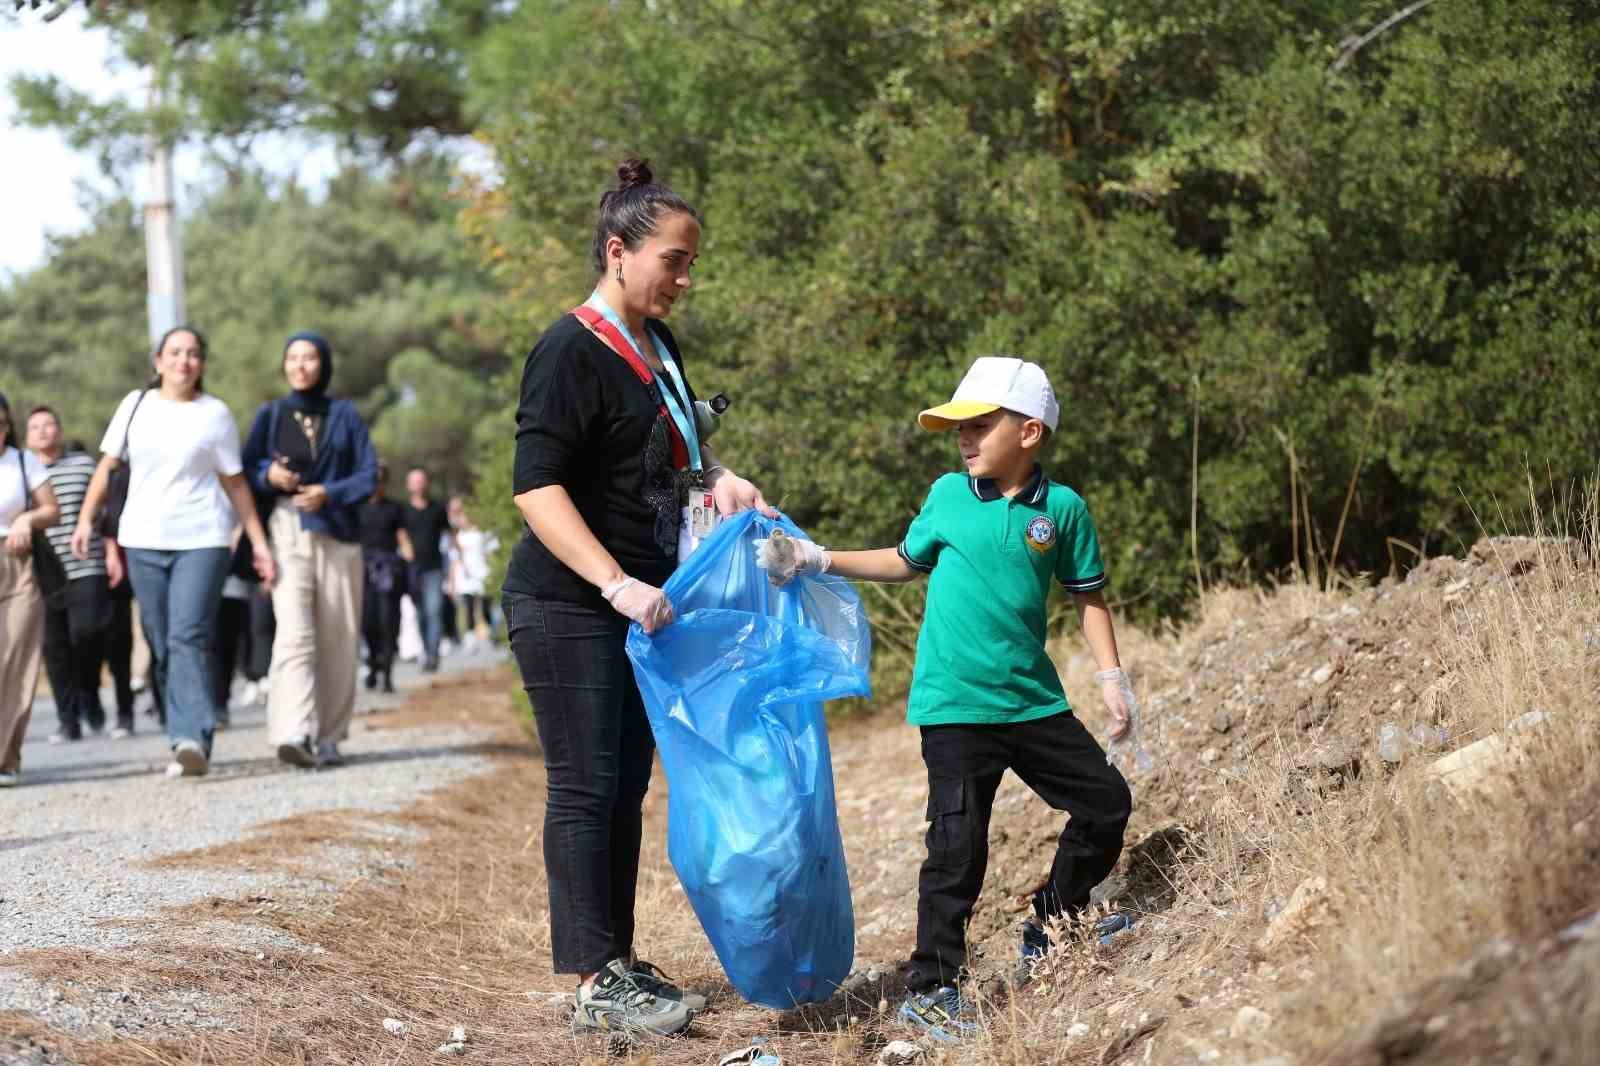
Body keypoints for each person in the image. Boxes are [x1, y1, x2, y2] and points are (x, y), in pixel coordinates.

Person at [757, 356, 1137, 1043]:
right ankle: (932, 989)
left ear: (1029, 432)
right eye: (956, 428)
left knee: (1107, 804)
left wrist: (1113, 679)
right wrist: (819, 558)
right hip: (954, 708)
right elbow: (905, 560)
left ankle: (1053, 924)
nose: (963, 439)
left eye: (978, 425)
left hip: (1032, 704)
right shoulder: (947, 495)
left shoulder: (1063, 510)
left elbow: (1089, 597)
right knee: (956, 849)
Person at [502, 157, 775, 1039]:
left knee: (624, 785)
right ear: (619, 252)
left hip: (643, 604)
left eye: (692, 263)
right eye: (674, 260)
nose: (685, 279)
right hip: (569, 600)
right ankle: (592, 981)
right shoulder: (568, 349)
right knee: (585, 784)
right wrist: (612, 582)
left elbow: (672, 458)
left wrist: (724, 480)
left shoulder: (659, 347)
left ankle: (614, 960)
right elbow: (537, 488)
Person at [71, 326, 276, 779]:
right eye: (175, 353)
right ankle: (184, 731)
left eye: (193, 354)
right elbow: (108, 467)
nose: (184, 361)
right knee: (162, 638)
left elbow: (235, 482)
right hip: (143, 538)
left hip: (202, 537)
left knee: (187, 634)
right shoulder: (135, 405)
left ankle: (191, 736)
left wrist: (259, 543)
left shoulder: (215, 415)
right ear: (158, 361)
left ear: (202, 363)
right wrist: (86, 519)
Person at [242, 331, 378, 769]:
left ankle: (331, 735)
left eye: (309, 358)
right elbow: (245, 469)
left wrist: (329, 492)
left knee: (339, 636)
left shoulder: (344, 414)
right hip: (287, 530)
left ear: (324, 365)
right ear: (285, 366)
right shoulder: (271, 414)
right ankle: (292, 731)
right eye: (293, 358)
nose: (300, 366)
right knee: (295, 633)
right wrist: (269, 477)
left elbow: (370, 473)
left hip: (338, 535)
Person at [25, 408, 112, 744]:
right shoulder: (21, 470)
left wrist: (112, 545)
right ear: (27, 435)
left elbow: (106, 508)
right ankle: (68, 719)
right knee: (54, 646)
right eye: (35, 427)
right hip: (42, 571)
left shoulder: (84, 466)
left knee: (88, 631)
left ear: (60, 430)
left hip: (85, 562)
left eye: (49, 424)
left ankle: (89, 688)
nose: (44, 431)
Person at [0, 391, 62, 788]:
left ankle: (6, 758)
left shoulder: (22, 463)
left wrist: (27, 519)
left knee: (18, 660)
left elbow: (52, 510)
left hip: (19, 566)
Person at [358, 463, 413, 693]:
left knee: (388, 621)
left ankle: (388, 675)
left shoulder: (394, 508)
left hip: (388, 572)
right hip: (362, 571)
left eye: (379, 480)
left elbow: (403, 538)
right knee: (368, 623)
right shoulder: (357, 507)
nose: (376, 485)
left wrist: (410, 563)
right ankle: (373, 663)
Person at [402, 468, 452, 672]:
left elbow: (449, 535)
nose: (418, 484)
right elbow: (399, 535)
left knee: (434, 611)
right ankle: (426, 651)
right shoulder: (403, 511)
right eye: (414, 481)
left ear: (427, 484)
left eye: (421, 481)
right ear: (408, 485)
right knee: (421, 613)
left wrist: (457, 563)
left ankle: (432, 655)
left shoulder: (437, 509)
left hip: (434, 568)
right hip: (413, 570)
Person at [448, 495, 498, 647]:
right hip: (466, 577)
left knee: (484, 605)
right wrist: (452, 582)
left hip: (482, 573)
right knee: (468, 605)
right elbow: (455, 560)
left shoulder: (481, 534)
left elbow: (491, 553)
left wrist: (492, 572)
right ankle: (470, 634)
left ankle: (490, 631)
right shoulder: (458, 538)